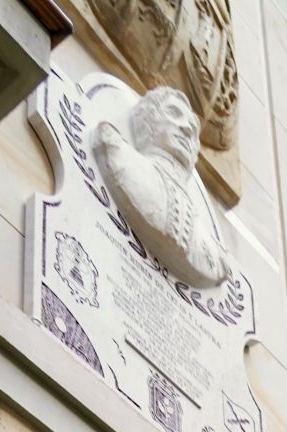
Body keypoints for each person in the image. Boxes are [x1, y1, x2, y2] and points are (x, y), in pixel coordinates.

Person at [94, 84, 233, 288]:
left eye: (193, 129)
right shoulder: (118, 153)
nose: (186, 129)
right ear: (148, 121)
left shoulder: (217, 255)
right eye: (173, 113)